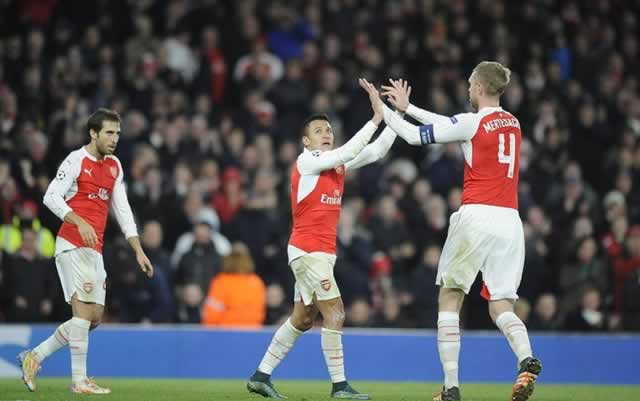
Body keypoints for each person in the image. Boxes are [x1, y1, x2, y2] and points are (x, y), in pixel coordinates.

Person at [361, 62, 542, 401]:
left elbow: (417, 135)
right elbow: (451, 125)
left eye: (471, 84)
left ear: (480, 88)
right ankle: (525, 360)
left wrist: (383, 111)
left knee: (450, 297)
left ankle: (451, 388)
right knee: (501, 305)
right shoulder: (512, 123)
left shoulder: (473, 122)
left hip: (477, 217)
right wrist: (410, 107)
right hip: (510, 222)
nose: (468, 88)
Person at [247, 79, 399, 400]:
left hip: (320, 253)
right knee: (336, 313)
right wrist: (375, 118)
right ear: (306, 141)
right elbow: (350, 150)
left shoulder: (336, 163)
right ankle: (340, 387)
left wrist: (397, 115)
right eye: (318, 130)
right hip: (308, 251)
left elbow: (377, 150)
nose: (326, 133)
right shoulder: (308, 162)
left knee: (302, 320)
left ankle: (260, 376)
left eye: (328, 129)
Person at [17, 108, 154, 395]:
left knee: (94, 319)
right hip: (71, 243)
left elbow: (123, 209)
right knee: (82, 315)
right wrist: (78, 221)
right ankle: (79, 382)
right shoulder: (76, 160)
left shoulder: (115, 165)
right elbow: (50, 196)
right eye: (109, 132)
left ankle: (34, 357)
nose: (114, 138)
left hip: (95, 249)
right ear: (93, 133)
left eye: (117, 133)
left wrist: (138, 250)